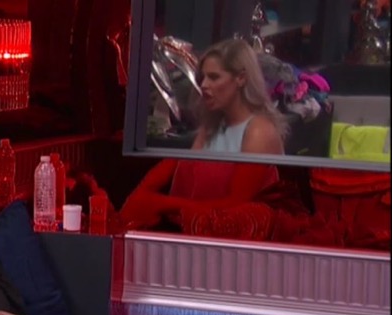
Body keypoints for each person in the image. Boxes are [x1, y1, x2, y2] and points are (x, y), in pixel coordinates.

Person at [121, 38, 289, 230]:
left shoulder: (259, 132)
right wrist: (139, 197)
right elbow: (173, 166)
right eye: (203, 77)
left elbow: (235, 205)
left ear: (241, 79)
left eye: (214, 77)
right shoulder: (212, 127)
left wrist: (161, 204)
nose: (204, 85)